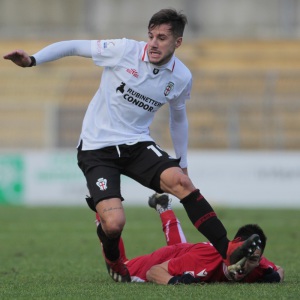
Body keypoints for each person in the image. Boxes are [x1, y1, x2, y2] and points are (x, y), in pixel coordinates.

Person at [4, 8, 260, 283]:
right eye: (151, 36)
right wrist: (32, 60)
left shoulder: (181, 77)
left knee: (182, 183)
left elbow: (178, 118)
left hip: (136, 144)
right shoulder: (124, 50)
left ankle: (228, 252)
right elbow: (75, 45)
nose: (153, 43)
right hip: (96, 148)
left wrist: (182, 163)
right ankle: (113, 258)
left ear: (178, 42)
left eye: (162, 38)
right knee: (114, 225)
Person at [94, 193, 284, 284]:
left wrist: (275, 277)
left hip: (187, 251)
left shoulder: (256, 260)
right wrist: (174, 282)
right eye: (241, 255)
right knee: (122, 271)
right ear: (232, 249)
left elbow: (278, 269)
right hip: (167, 258)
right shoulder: (203, 261)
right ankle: (101, 211)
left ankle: (164, 208)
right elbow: (154, 272)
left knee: (182, 249)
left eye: (252, 260)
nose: (245, 264)